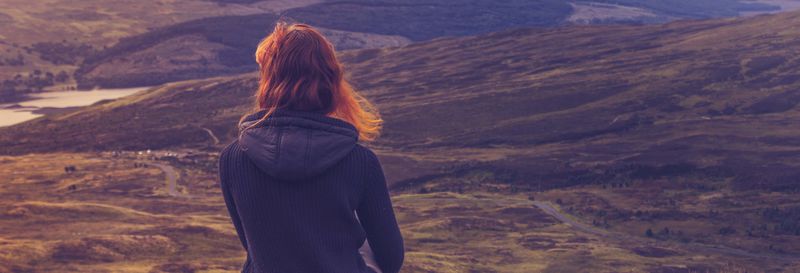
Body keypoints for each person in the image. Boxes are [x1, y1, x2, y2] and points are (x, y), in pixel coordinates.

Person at [218, 22, 404, 273]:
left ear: (268, 81)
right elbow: (391, 258)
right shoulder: (360, 162)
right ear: (331, 81)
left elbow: (253, 247)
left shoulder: (232, 158)